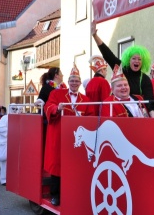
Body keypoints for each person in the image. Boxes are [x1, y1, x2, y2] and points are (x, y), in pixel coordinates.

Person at [44, 63, 95, 206]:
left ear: (80, 83)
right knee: (57, 166)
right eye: (72, 80)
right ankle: (56, 195)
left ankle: (73, 194)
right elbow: (48, 106)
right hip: (59, 135)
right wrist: (57, 108)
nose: (74, 83)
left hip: (77, 138)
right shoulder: (57, 93)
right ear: (68, 81)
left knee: (74, 166)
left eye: (77, 81)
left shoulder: (86, 99)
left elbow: (91, 116)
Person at [91, 21, 154, 117]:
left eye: (139, 59)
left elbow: (149, 101)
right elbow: (108, 55)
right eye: (133, 58)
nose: (137, 61)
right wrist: (95, 35)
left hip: (137, 113)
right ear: (128, 60)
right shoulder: (122, 69)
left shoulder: (145, 79)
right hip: (118, 111)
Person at [0, 103, 23, 186]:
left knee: (14, 162)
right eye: (13, 108)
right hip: (5, 143)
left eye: (16, 109)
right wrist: (11, 133)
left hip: (14, 143)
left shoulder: (18, 118)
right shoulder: (5, 118)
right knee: (4, 162)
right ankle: (4, 180)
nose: (15, 110)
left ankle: (12, 178)